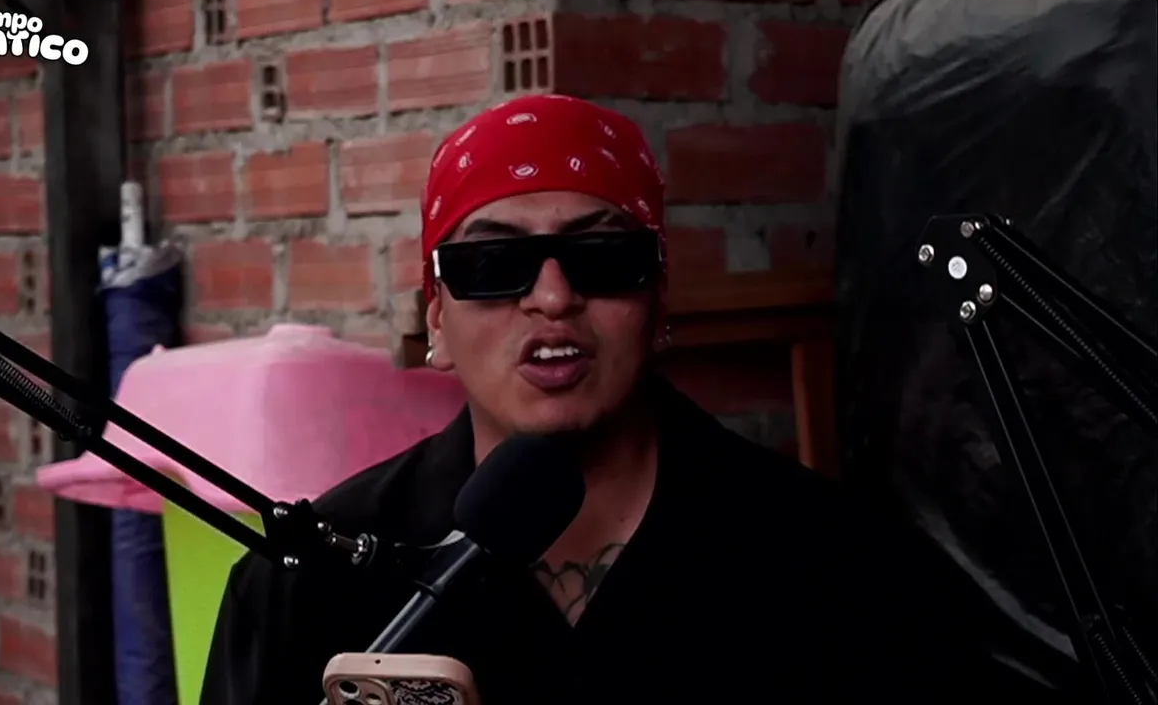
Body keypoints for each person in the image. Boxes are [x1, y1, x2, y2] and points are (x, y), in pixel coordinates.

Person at [199, 95, 1059, 705]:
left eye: (603, 258)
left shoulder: (834, 567)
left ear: (659, 301)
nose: (552, 297)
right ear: (435, 316)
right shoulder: (309, 585)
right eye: (494, 266)